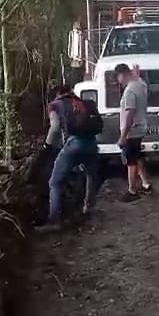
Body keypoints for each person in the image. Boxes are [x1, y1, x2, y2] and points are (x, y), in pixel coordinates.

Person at [39, 85, 103, 229]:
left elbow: (55, 127)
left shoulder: (55, 105)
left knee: (55, 182)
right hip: (92, 143)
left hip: (74, 144)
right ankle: (88, 208)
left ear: (57, 94)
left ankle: (54, 220)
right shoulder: (83, 102)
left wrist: (46, 146)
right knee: (91, 176)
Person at [114, 63, 152, 202]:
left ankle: (132, 190)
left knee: (131, 161)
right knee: (138, 156)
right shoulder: (140, 85)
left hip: (132, 130)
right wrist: (137, 76)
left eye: (118, 77)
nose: (119, 81)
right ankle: (145, 183)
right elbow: (143, 83)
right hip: (141, 127)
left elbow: (129, 114)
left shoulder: (129, 91)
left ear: (122, 74)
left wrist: (123, 136)